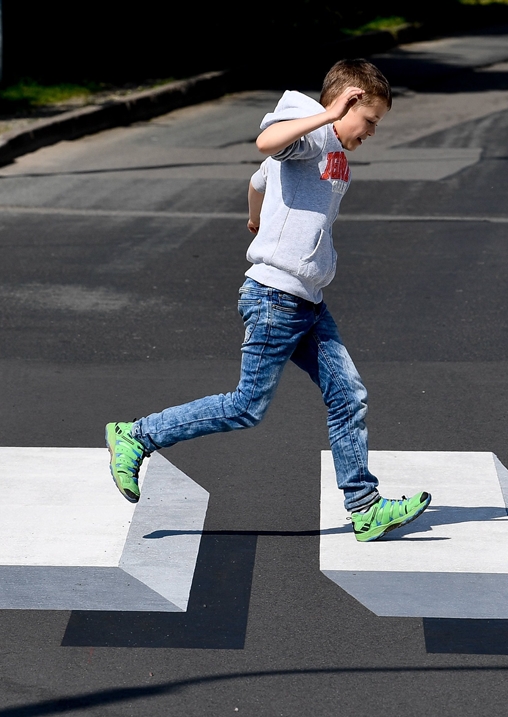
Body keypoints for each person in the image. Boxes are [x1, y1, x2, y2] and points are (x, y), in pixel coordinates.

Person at [105, 59, 432, 543]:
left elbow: (258, 180)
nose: (372, 133)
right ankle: (137, 436)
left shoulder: (332, 147)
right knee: (247, 406)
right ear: (348, 103)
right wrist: (328, 116)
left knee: (348, 396)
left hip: (306, 300)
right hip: (276, 298)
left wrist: (256, 218)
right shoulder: (312, 133)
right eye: (370, 121)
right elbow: (265, 145)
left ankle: (364, 507)